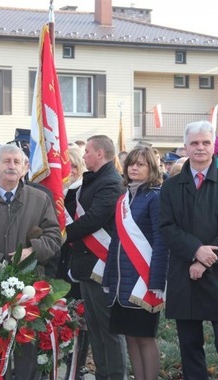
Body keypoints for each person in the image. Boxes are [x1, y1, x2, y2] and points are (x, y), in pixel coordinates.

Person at [0, 144, 62, 380]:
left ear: (25, 168)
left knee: (26, 350)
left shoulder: (40, 199)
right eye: (6, 161)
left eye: (17, 162)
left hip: (29, 290)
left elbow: (54, 236)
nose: (12, 166)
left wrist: (32, 252)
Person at [159, 120, 218, 380]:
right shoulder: (171, 186)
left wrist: (205, 259)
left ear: (214, 147)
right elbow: (166, 227)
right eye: (194, 143)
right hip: (184, 274)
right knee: (189, 344)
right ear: (185, 147)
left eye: (205, 142)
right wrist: (196, 250)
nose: (200, 148)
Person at [65, 135, 127, 380]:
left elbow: (95, 218)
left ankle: (115, 375)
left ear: (100, 153)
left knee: (110, 328)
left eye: (88, 151)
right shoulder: (92, 180)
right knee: (96, 327)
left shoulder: (110, 181)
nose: (84, 155)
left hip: (102, 264)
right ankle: (103, 374)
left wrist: (63, 233)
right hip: (87, 264)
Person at [103, 146, 169, 380]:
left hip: (144, 279)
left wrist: (157, 280)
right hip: (121, 282)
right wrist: (108, 278)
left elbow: (162, 242)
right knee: (130, 337)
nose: (134, 167)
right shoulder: (123, 199)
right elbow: (115, 242)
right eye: (131, 163)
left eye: (140, 164)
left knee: (144, 337)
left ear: (151, 168)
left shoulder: (156, 197)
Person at [57, 147, 90, 380]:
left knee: (78, 315)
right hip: (58, 260)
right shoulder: (56, 192)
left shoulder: (82, 192)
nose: (70, 172)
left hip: (76, 259)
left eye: (74, 167)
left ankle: (76, 368)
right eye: (66, 168)